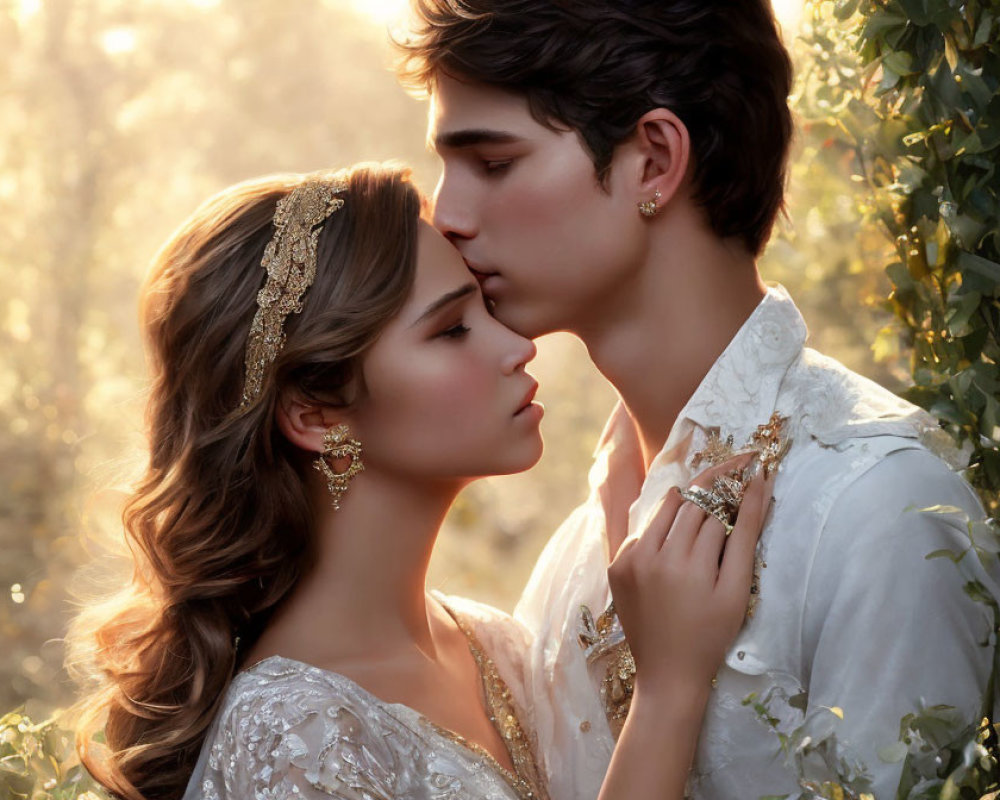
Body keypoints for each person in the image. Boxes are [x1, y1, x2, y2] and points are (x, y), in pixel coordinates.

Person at [397, 1, 996, 798]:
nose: (451, 218)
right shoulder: (575, 559)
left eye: (494, 163)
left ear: (653, 161)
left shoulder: (881, 509)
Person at [66, 163, 773, 800]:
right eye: (451, 330)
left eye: (483, 309)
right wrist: (668, 693)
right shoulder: (291, 736)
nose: (517, 346)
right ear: (312, 413)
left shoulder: (494, 645)